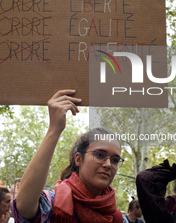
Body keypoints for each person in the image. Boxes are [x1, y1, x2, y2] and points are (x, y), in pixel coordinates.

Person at [12, 90, 128, 222]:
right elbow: (24, 207)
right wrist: (54, 129)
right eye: (100, 155)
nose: (108, 165)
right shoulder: (54, 203)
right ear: (78, 159)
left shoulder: (118, 219)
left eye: (115, 160)